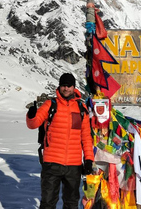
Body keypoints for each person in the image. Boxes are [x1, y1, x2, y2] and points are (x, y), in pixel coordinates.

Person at [26, 73, 94, 209]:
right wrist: (31, 115)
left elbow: (86, 137)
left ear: (74, 87)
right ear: (59, 86)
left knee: (71, 203)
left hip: (73, 165)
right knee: (48, 202)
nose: (66, 88)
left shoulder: (81, 109)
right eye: (63, 85)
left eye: (69, 85)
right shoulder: (50, 105)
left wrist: (88, 159)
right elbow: (33, 124)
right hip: (52, 163)